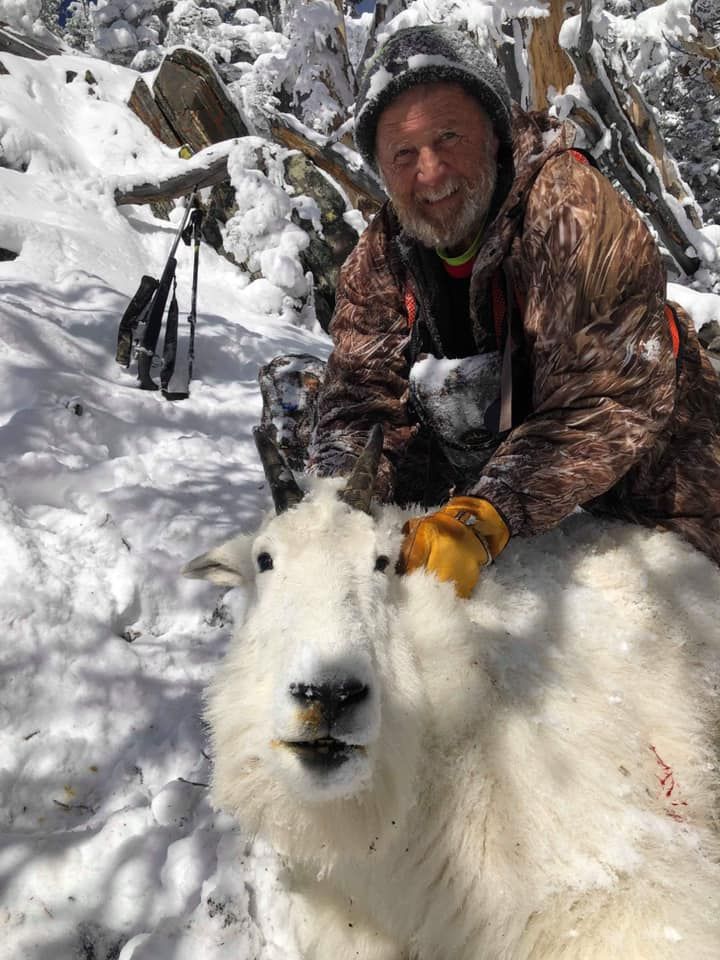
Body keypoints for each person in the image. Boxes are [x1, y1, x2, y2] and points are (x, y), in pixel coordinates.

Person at [307, 24, 720, 596]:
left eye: (448, 137)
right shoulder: (384, 254)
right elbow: (359, 395)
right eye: (403, 154)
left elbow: (607, 399)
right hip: (501, 499)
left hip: (656, 499)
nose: (429, 172)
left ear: (496, 134)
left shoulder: (569, 212)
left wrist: (483, 515)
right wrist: (339, 506)